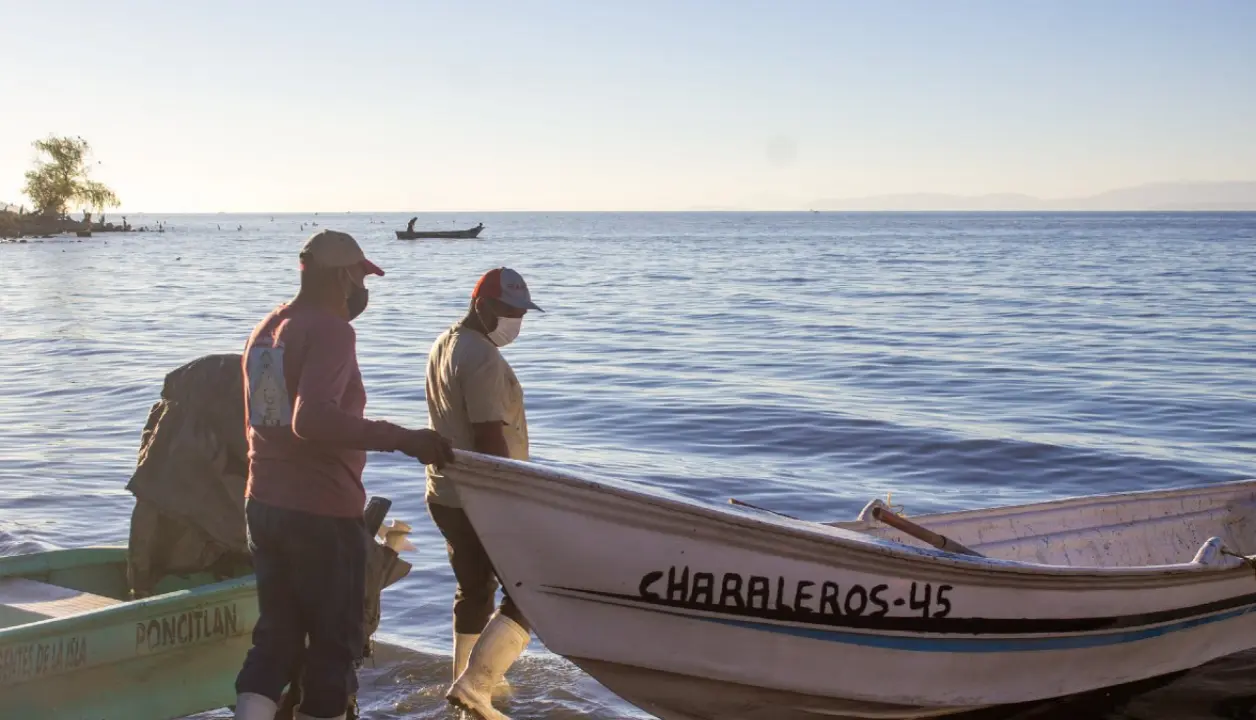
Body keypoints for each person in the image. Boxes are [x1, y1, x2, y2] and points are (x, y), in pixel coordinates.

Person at [233, 230, 455, 720]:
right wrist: (404, 438)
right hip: (321, 512)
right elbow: (310, 420)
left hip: (265, 504)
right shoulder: (332, 330)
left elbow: (268, 418)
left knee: (277, 636)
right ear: (339, 275)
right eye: (359, 275)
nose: (362, 288)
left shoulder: (269, 327)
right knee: (334, 645)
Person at [425, 267, 541, 720]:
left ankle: (464, 679)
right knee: (529, 589)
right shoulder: (483, 358)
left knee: (473, 589)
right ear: (482, 306)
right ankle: (477, 684)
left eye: (522, 313)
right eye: (509, 311)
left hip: (445, 491)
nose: (516, 321)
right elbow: (489, 437)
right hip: (482, 497)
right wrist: (510, 504)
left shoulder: (445, 343)